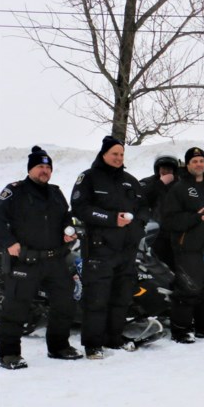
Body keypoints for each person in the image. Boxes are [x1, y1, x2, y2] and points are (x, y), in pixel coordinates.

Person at [0, 147, 82, 368]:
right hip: (26, 260)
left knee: (64, 304)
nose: (44, 171)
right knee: (16, 308)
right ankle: (9, 354)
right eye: (40, 167)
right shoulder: (14, 191)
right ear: (30, 169)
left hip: (55, 260)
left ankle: (59, 347)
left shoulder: (55, 192)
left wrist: (67, 230)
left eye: (47, 167)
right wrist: (8, 243)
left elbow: (66, 217)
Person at [71, 136, 148, 358]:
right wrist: (111, 218)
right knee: (96, 299)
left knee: (121, 297)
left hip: (126, 250)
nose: (118, 158)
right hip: (99, 249)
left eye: (121, 154)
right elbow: (80, 208)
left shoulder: (130, 181)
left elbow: (143, 208)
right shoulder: (89, 178)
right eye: (114, 153)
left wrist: (138, 226)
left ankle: (114, 338)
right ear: (104, 154)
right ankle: (93, 344)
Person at [161, 146, 204, 343]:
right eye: (194, 161)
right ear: (188, 164)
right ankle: (181, 330)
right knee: (188, 290)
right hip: (188, 248)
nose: (199, 164)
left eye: (201, 161)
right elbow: (170, 221)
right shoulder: (179, 188)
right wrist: (196, 217)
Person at [139, 154, 179, 269]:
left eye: (169, 169)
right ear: (157, 169)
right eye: (163, 168)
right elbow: (139, 198)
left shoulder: (181, 185)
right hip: (154, 236)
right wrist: (160, 184)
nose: (166, 171)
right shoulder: (148, 182)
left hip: (176, 237)